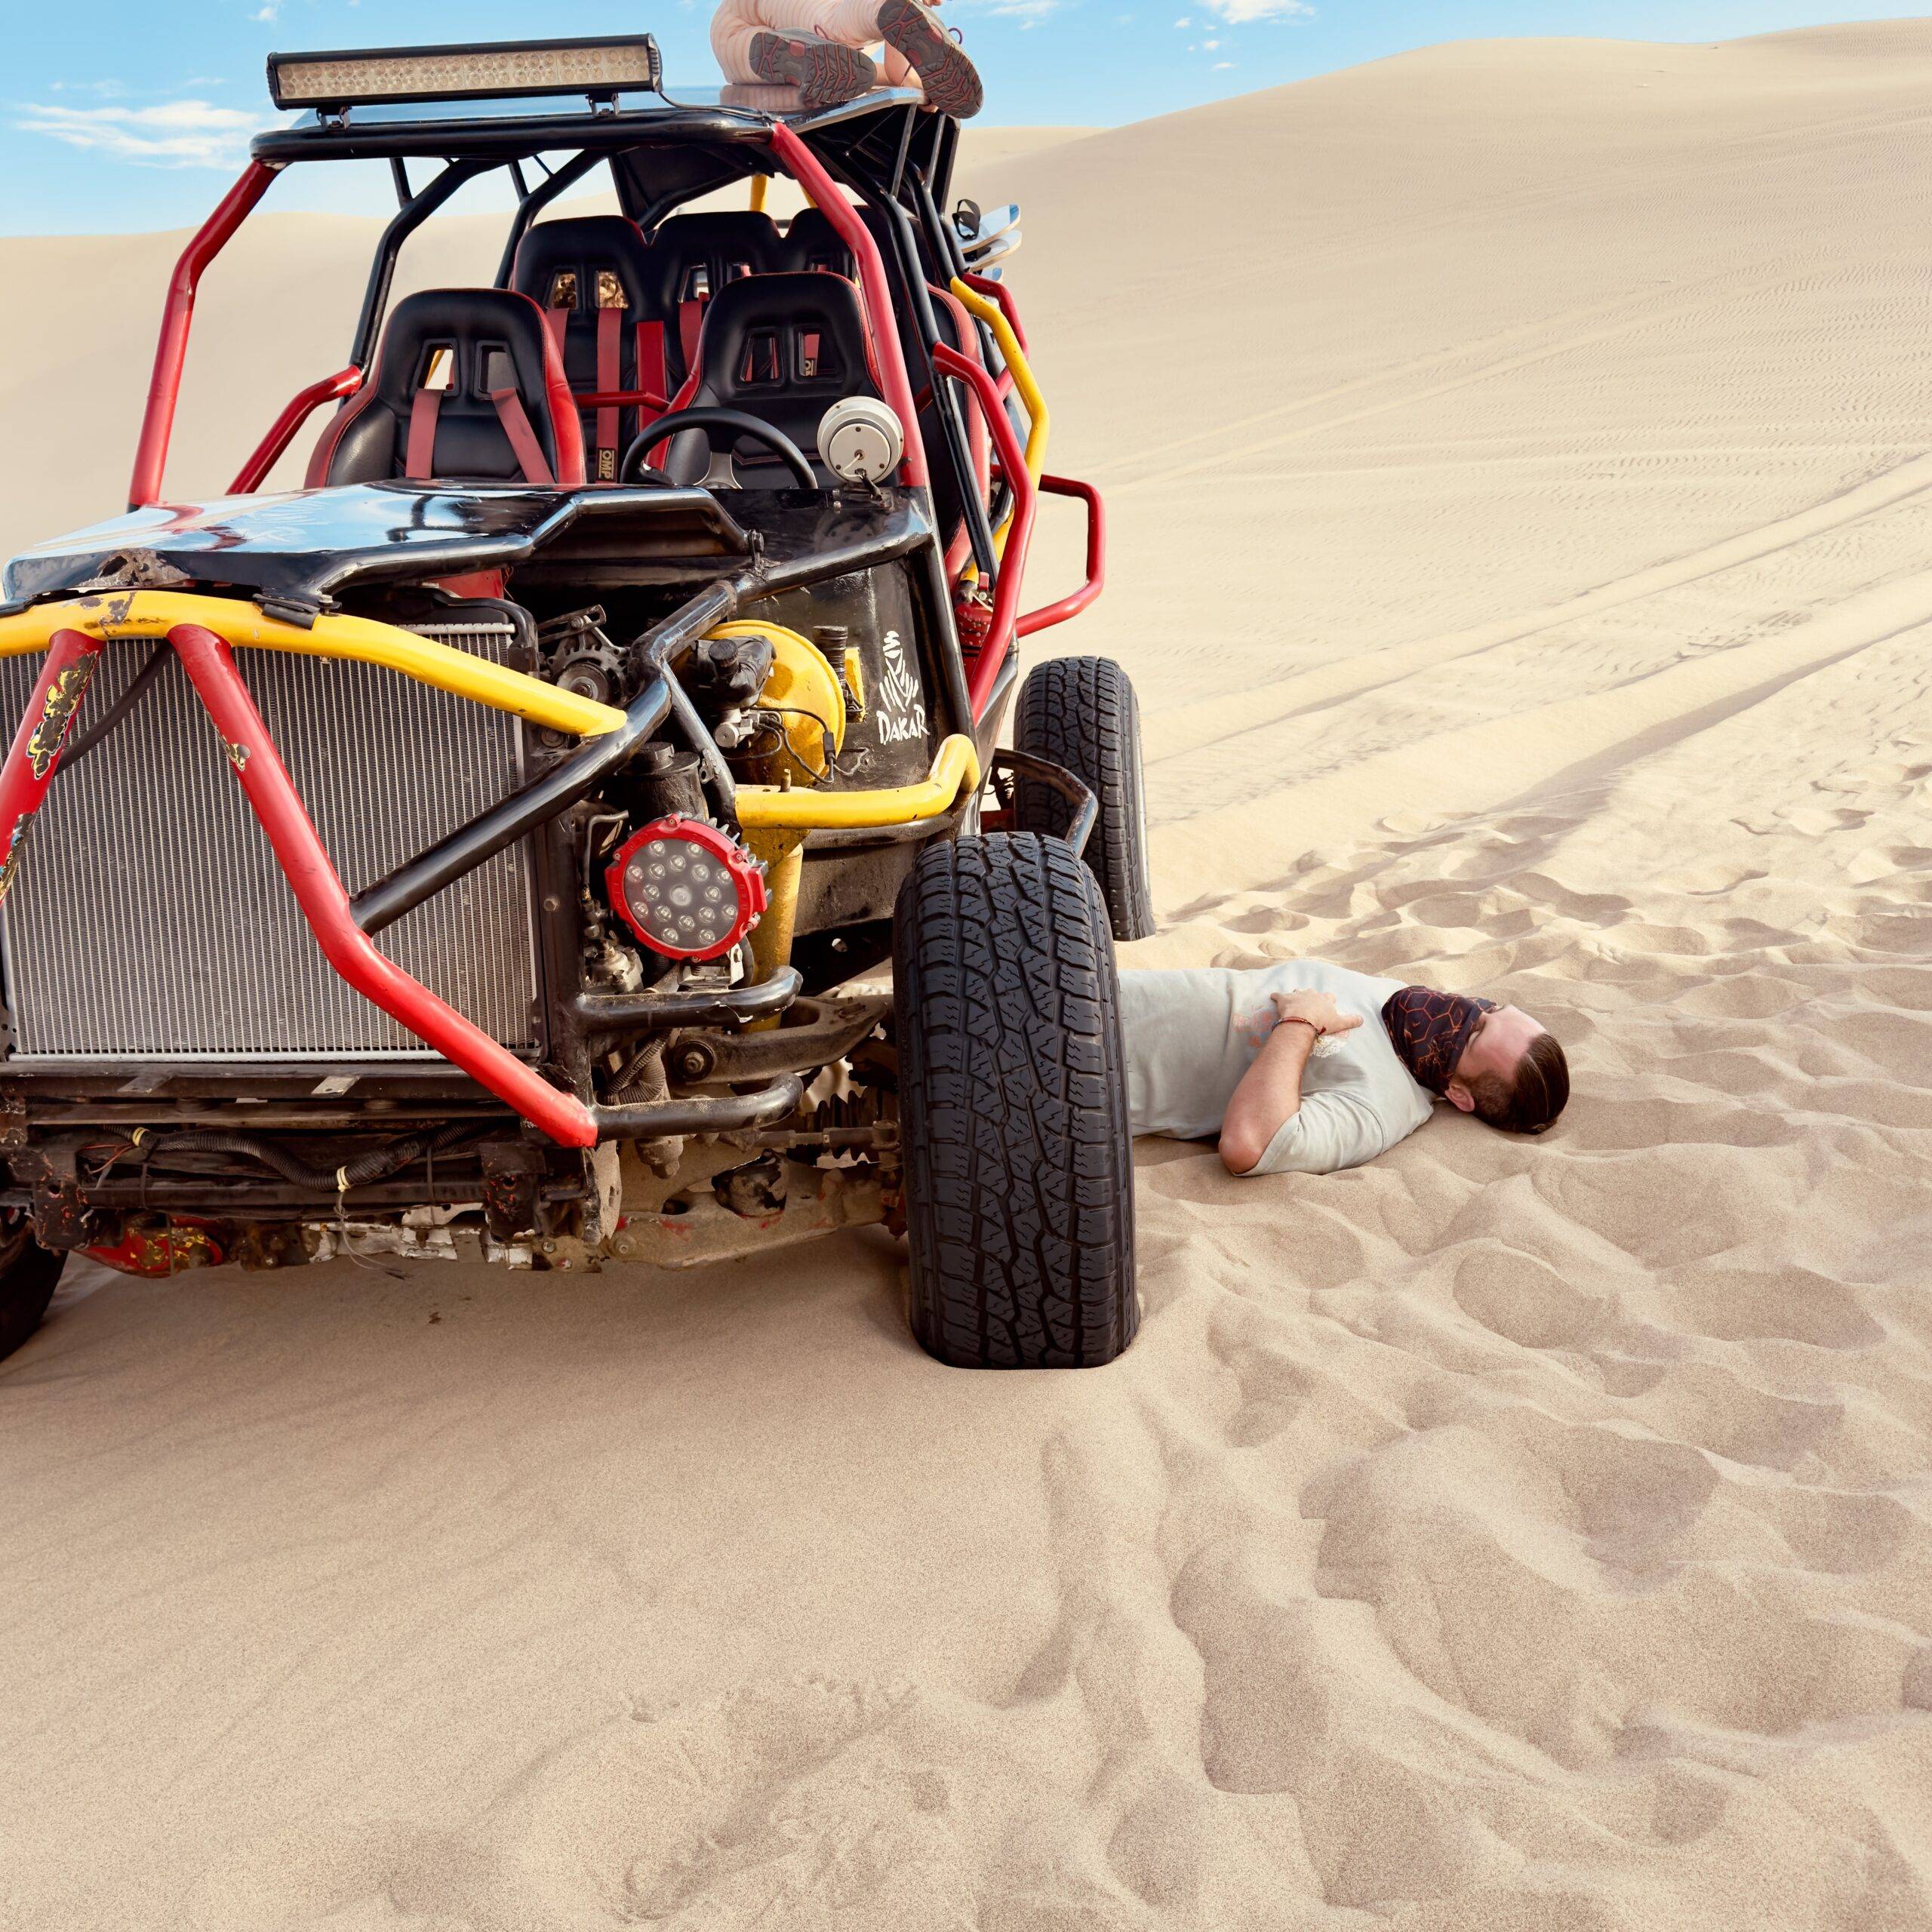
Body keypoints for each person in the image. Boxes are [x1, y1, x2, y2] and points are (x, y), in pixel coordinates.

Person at [1118, 960, 1570, 1177]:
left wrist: (1300, 1022)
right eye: (1491, 1008)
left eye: (1474, 1036)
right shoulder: (1411, 1012)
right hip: (1099, 985)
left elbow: (1248, 1145)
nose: (1467, 1012)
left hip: (1087, 1064)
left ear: (1458, 1094)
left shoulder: (1381, 1108)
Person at [709, 0, 983, 117]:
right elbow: (901, 73)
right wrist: (924, 88)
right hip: (779, 17)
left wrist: (913, 82)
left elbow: (886, 71)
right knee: (837, 27)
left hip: (729, 31)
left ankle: (799, 50)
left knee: (751, 55)